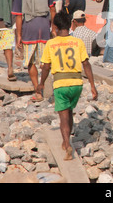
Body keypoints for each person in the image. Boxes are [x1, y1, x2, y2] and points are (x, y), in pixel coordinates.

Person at [37, 10, 98, 161]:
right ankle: (67, 141)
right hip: (77, 83)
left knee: (63, 117)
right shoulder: (78, 42)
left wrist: (41, 83)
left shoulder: (51, 44)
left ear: (55, 27)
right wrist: (92, 85)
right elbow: (86, 64)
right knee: (69, 111)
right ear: (70, 25)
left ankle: (67, 143)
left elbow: (46, 67)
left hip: (60, 83)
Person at [12, 0, 56, 102]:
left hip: (29, 27)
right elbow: (53, 9)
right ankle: (48, 88)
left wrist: (18, 35)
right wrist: (53, 28)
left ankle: (38, 91)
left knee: (30, 61)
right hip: (43, 26)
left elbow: (18, 15)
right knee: (45, 60)